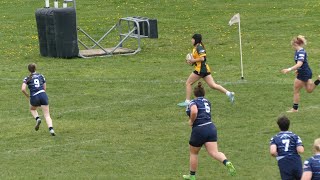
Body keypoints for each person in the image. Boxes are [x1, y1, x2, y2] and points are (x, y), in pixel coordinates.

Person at [182, 82, 236, 180]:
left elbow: (194, 111)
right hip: (210, 127)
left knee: (194, 153)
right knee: (214, 152)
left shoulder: (193, 102)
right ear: (204, 94)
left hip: (199, 129)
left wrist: (191, 121)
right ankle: (226, 162)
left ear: (194, 94)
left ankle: (192, 176)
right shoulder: (207, 102)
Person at [177, 34, 235, 107]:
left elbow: (202, 59)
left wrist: (193, 60)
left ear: (196, 40)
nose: (191, 40)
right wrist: (192, 62)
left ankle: (187, 101)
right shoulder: (195, 48)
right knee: (213, 85)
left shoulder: (199, 47)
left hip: (200, 69)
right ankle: (229, 93)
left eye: (192, 39)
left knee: (188, 83)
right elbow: (198, 59)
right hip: (204, 69)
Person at [281, 35, 320, 112]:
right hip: (304, 72)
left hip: (304, 73)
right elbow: (301, 64)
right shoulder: (298, 51)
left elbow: (299, 64)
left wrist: (289, 69)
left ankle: (295, 109)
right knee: (309, 90)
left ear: (295, 44)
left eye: (292, 45)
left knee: (296, 90)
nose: (292, 47)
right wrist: (298, 70)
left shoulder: (301, 52)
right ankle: (319, 80)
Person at [21, 63, 55, 136]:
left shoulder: (27, 78)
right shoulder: (41, 76)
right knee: (47, 114)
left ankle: (37, 118)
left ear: (28, 70)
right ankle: (51, 129)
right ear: (35, 68)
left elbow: (23, 89)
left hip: (34, 96)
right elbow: (44, 88)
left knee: (32, 109)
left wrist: (28, 96)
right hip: (43, 94)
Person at [269, 115, 304, 180]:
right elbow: (300, 150)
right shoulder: (295, 136)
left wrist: (278, 155)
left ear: (278, 126)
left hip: (283, 162)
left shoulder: (274, 138)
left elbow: (273, 152)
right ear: (289, 125)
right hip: (295, 160)